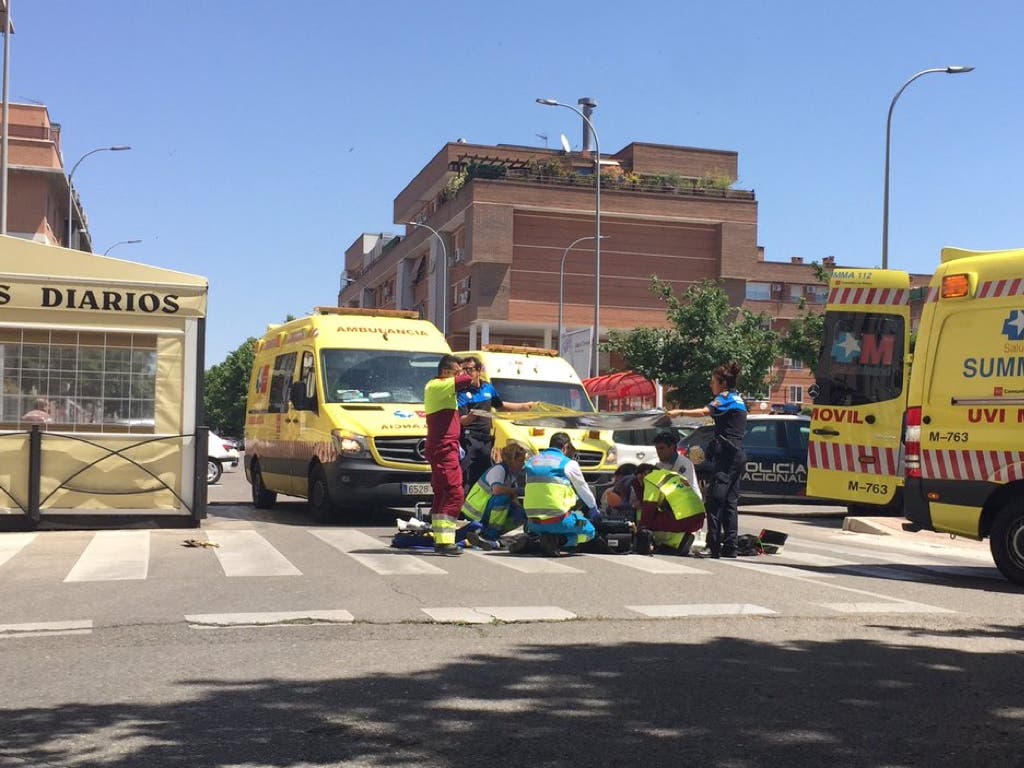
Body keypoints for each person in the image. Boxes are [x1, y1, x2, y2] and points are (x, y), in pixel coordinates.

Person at [668, 361, 748, 558]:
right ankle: (730, 546)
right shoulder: (738, 399)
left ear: (722, 383)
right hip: (737, 455)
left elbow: (705, 412)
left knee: (714, 501)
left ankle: (713, 546)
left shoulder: (725, 398)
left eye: (713, 382)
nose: (711, 385)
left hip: (728, 457)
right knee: (730, 502)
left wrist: (680, 412)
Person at [423, 354, 477, 556]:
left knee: (442, 493)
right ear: (445, 372)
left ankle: (440, 538)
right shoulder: (437, 385)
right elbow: (465, 381)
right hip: (443, 449)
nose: (461, 374)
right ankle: (445, 541)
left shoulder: (444, 390)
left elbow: (467, 386)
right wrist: (468, 372)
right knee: (455, 493)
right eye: (456, 371)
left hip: (445, 447)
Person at [457, 355, 535, 490]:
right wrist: (472, 416)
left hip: (486, 440)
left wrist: (524, 406)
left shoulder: (488, 388)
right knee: (467, 478)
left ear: (479, 370)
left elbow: (500, 406)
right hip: (470, 440)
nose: (466, 373)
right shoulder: (462, 392)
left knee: (484, 477)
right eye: (463, 370)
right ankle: (463, 509)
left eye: (469, 369)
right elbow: (462, 421)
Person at [521, 432, 598, 556]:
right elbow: (582, 488)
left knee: (550, 529)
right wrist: (593, 507)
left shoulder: (531, 462)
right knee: (590, 531)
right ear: (565, 446)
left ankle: (537, 541)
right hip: (560, 521)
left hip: (533, 522)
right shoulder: (568, 463)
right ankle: (559, 541)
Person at [459, 442, 528, 550]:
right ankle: (490, 534)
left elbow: (512, 495)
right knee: (503, 499)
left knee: (521, 514)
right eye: (521, 461)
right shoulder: (499, 470)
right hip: (477, 509)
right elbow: (497, 490)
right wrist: (519, 491)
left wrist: (521, 511)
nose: (523, 464)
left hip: (486, 507)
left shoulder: (511, 473)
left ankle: (489, 533)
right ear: (512, 460)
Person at [633, 463, 705, 555]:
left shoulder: (651, 479)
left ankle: (677, 540)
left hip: (685, 518)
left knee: (647, 520)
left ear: (645, 473)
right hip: (699, 517)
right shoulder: (673, 475)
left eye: (640, 479)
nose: (641, 483)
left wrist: (639, 530)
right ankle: (677, 539)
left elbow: (648, 507)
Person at [653, 431, 701, 502]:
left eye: (661, 448)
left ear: (672, 447)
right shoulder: (658, 466)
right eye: (657, 449)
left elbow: (682, 487)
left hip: (690, 503)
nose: (658, 452)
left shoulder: (684, 463)